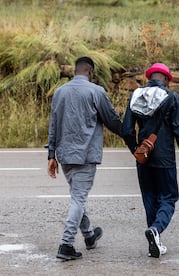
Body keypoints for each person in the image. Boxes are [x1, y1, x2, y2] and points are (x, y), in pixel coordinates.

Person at [47, 56, 122, 261]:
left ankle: (89, 235)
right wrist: (130, 136)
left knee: (76, 197)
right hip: (86, 155)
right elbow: (112, 120)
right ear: (90, 72)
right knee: (78, 199)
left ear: (76, 71)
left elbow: (53, 124)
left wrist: (51, 155)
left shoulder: (60, 92)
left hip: (64, 155)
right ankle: (66, 244)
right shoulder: (96, 91)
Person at [122, 63, 179, 258]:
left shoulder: (136, 95)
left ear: (149, 78)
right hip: (165, 158)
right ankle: (156, 230)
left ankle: (154, 241)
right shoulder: (171, 97)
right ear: (167, 80)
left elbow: (126, 130)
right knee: (169, 198)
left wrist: (136, 150)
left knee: (149, 198)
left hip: (143, 158)